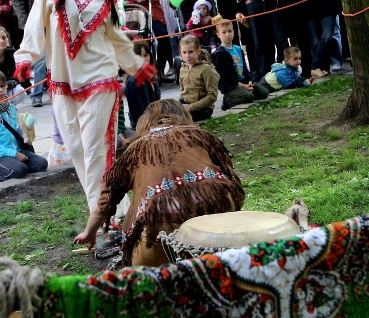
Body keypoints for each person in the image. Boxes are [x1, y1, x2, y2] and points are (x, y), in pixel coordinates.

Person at [13, 0, 157, 215]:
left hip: (100, 78)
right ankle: (116, 212)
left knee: (97, 151)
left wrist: (135, 65)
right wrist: (26, 56)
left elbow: (113, 34)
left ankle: (107, 218)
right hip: (62, 80)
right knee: (76, 149)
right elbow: (35, 21)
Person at [73, 98, 244, 266]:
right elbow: (230, 177)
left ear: (144, 121)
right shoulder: (201, 135)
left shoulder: (133, 150)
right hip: (219, 226)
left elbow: (105, 202)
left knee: (139, 249)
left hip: (161, 235)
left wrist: (89, 232)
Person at [0, 68, 48, 188]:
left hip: (17, 149)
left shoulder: (10, 106)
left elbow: (16, 128)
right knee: (19, 170)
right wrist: (14, 154)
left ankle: (13, 166)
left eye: (3, 86)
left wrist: (26, 133)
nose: (0, 90)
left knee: (41, 164)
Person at [11, 0, 53, 107]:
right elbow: (17, 0)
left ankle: (48, 89)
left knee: (48, 57)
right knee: (39, 58)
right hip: (32, 22)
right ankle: (36, 93)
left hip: (48, 20)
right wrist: (26, 24)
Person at [211, 20, 269, 110]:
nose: (227, 34)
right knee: (249, 97)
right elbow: (226, 77)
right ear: (218, 35)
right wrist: (243, 86)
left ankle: (242, 94)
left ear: (234, 32)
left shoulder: (238, 49)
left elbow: (245, 68)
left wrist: (249, 81)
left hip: (243, 81)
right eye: (224, 32)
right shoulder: (220, 53)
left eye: (230, 31)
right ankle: (228, 100)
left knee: (264, 93)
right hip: (230, 85)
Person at [177, 35, 219, 122]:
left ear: (198, 51)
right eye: (184, 52)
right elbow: (182, 91)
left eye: (190, 52)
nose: (187, 55)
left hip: (202, 108)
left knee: (179, 120)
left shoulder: (206, 69)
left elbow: (212, 96)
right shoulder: (182, 69)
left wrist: (191, 107)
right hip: (185, 105)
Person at [123, 41, 161, 130]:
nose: (143, 59)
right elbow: (138, 111)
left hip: (155, 120)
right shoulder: (133, 81)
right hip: (143, 125)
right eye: (139, 56)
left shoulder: (151, 76)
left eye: (146, 55)